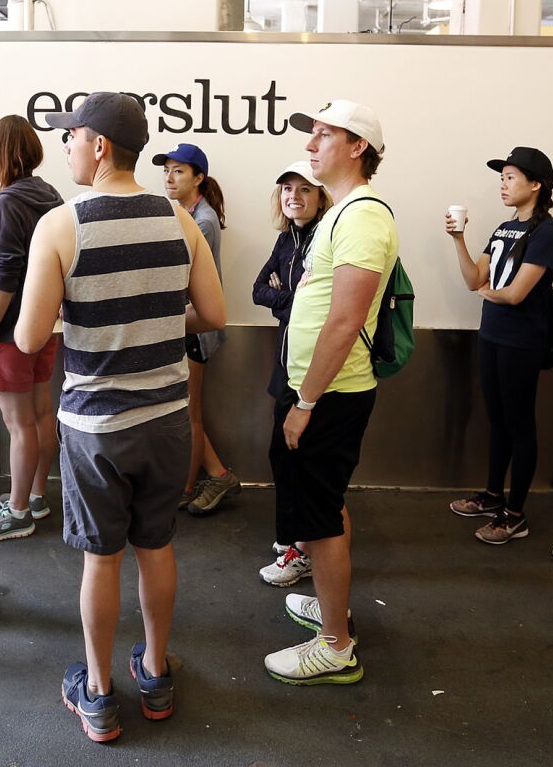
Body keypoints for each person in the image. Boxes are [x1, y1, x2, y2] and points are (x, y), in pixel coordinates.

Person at [15, 92, 226, 742]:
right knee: (155, 547)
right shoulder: (180, 219)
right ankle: (156, 674)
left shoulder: (61, 226)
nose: (67, 147)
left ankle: (101, 694)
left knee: (101, 560)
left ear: (100, 145)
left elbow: (28, 337)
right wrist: (152, 316)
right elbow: (214, 315)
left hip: (96, 427)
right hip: (166, 418)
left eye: (72, 136)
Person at [262, 99, 398, 686]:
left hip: (329, 395)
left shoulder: (363, 216)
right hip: (316, 390)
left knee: (318, 518)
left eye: (323, 135)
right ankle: (330, 604)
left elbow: (345, 321)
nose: (311, 145)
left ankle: (336, 646)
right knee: (324, 507)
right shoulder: (342, 212)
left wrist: (306, 403)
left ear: (357, 146)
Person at [447, 146, 553, 545]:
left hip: (522, 341)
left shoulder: (547, 232)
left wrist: (487, 291)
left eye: (511, 177)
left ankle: (515, 515)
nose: (503, 184)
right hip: (492, 335)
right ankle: (493, 495)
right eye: (502, 177)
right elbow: (473, 279)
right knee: (497, 420)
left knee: (520, 423)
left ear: (536, 184)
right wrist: (459, 239)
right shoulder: (503, 228)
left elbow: (515, 294)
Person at [0, 115, 64, 542]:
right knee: (41, 414)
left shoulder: (7, 202)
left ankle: (19, 511)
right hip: (43, 325)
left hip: (10, 329)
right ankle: (36, 496)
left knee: (19, 424)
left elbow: (5, 273)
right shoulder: (51, 195)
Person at [150, 142, 239, 516]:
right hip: (186, 324)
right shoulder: (183, 213)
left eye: (179, 171)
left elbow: (181, 279)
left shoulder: (201, 221)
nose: (169, 178)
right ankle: (218, 474)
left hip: (196, 328)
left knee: (189, 414)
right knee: (185, 409)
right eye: (166, 170)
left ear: (199, 178)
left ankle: (186, 488)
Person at [253, 161, 331, 587]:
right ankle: (291, 535)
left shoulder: (326, 238)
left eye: (304, 189)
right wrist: (288, 298)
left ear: (321, 197)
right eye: (287, 188)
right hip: (285, 363)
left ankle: (303, 550)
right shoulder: (286, 239)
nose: (294, 196)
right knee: (280, 453)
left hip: (314, 367)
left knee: (303, 460)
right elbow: (257, 290)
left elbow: (319, 304)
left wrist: (286, 297)